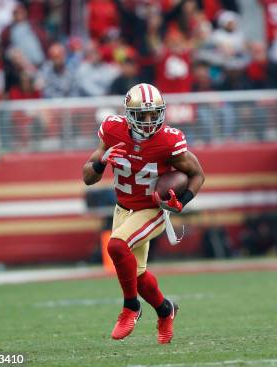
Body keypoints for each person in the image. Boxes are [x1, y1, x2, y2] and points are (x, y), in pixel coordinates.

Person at [82, 83, 205, 344]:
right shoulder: (113, 130)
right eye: (142, 115)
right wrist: (101, 162)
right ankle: (165, 310)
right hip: (123, 208)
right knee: (135, 275)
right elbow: (87, 177)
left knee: (116, 246)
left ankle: (131, 308)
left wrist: (181, 201)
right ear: (129, 114)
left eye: (154, 114)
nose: (149, 121)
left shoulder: (169, 140)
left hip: (151, 210)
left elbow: (197, 174)